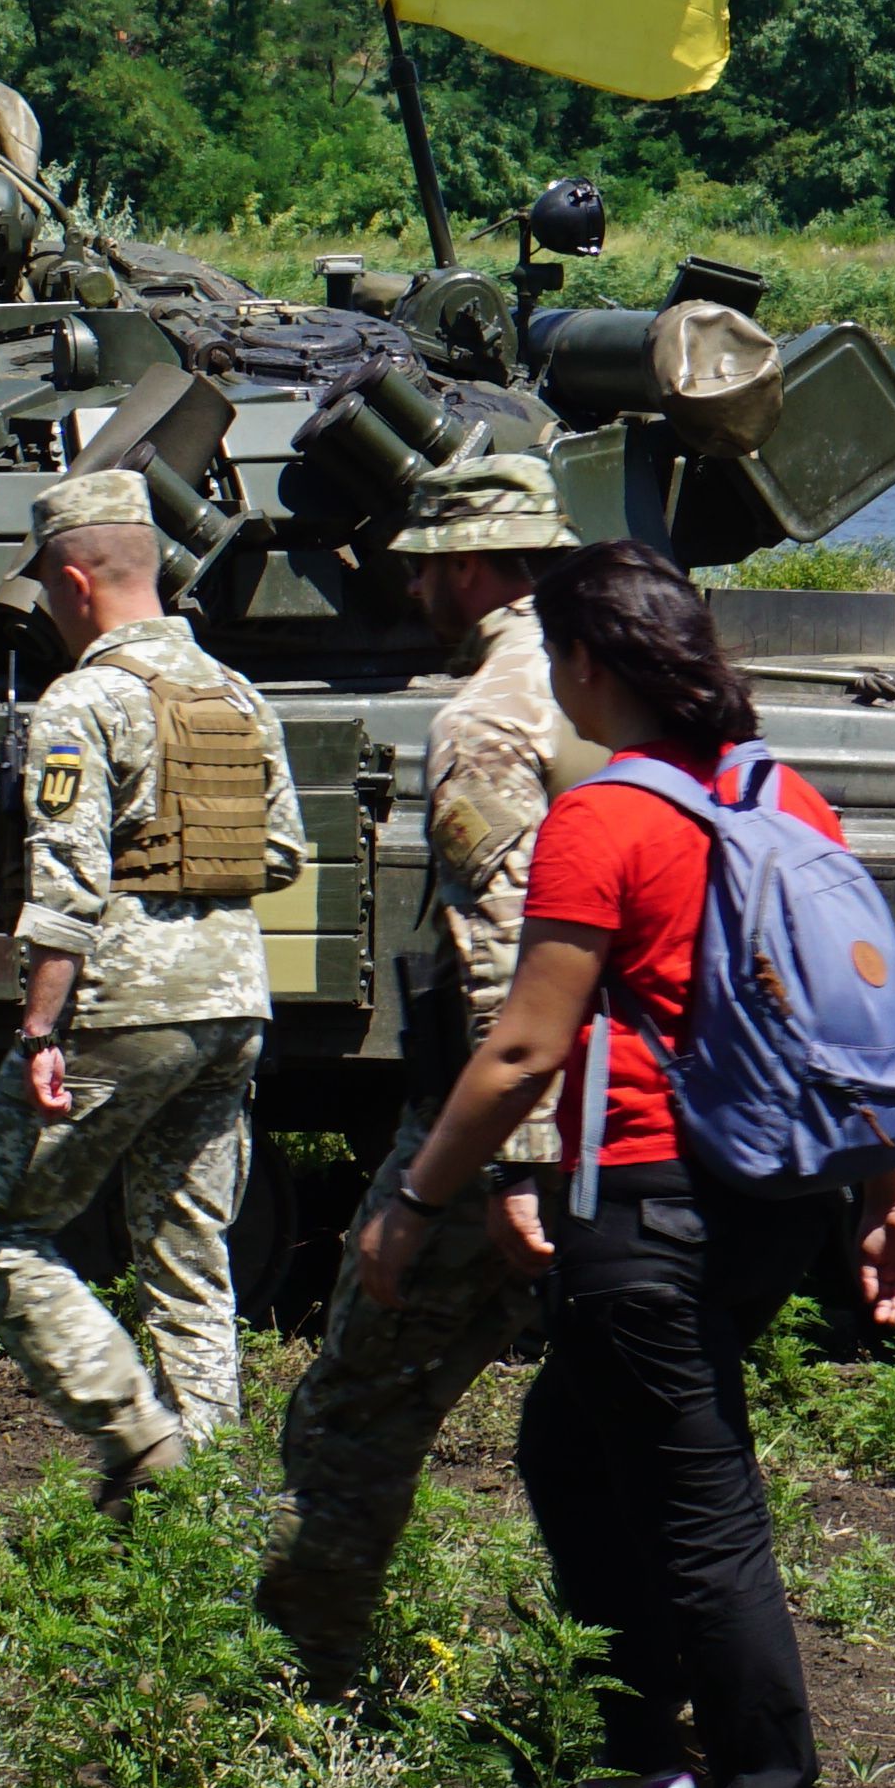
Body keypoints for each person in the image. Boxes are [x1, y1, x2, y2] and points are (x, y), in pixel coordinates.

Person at [374, 542, 895, 1788]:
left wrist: (414, 1200)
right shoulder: (780, 794)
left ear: (582, 669)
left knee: (703, 1517)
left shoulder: (600, 818)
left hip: (644, 1205)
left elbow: (520, 1050)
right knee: (567, 1447)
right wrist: (886, 1193)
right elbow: (852, 1016)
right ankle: (638, 1765)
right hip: (768, 1201)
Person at [260, 446, 583, 1688]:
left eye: (427, 566)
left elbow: (503, 956)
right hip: (642, 1118)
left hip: (511, 1119)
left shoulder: (490, 720)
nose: (416, 589)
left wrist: (501, 1167)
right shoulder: (625, 680)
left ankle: (303, 1684)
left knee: (351, 1413)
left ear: (467, 564)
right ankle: (633, 1706)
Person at [0, 468, 301, 1500]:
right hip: (233, 1002)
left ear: (72, 580)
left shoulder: (83, 700)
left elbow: (66, 884)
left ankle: (143, 1443)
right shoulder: (235, 694)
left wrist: (40, 1030)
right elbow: (280, 853)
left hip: (123, 1005)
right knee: (190, 1253)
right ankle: (216, 1498)